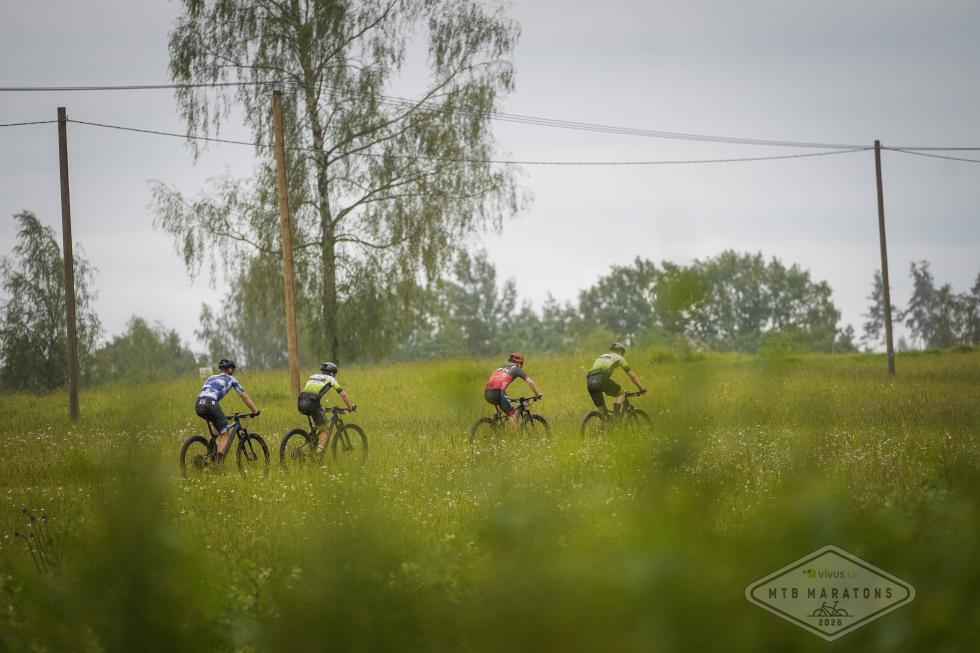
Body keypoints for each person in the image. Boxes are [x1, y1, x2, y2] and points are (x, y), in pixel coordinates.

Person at [195, 358, 260, 459]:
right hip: (211, 404)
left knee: (217, 428)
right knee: (226, 434)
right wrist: (255, 410)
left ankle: (210, 450)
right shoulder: (231, 379)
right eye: (233, 370)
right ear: (229, 369)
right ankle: (218, 463)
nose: (233, 372)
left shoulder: (211, 377)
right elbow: (244, 397)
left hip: (199, 404)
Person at [297, 362, 355, 454]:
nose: (335, 376)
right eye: (335, 374)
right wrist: (350, 407)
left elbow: (310, 394)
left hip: (301, 402)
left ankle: (311, 443)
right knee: (325, 430)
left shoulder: (313, 377)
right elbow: (343, 395)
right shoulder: (331, 379)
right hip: (312, 404)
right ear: (332, 373)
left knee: (315, 427)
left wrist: (320, 407)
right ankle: (318, 455)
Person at [483, 352, 543, 429]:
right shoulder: (516, 369)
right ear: (518, 363)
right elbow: (530, 382)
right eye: (521, 364)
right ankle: (513, 436)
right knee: (513, 415)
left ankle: (496, 427)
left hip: (487, 392)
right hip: (498, 392)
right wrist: (537, 394)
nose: (521, 366)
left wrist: (505, 397)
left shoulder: (500, 367)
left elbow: (497, 382)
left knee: (501, 409)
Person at [586, 342, 646, 418]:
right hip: (602, 380)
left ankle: (602, 423)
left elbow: (598, 372)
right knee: (622, 393)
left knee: (602, 414)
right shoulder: (619, 358)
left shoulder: (602, 356)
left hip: (590, 381)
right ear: (619, 352)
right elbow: (632, 376)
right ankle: (616, 417)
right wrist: (641, 389)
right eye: (622, 353)